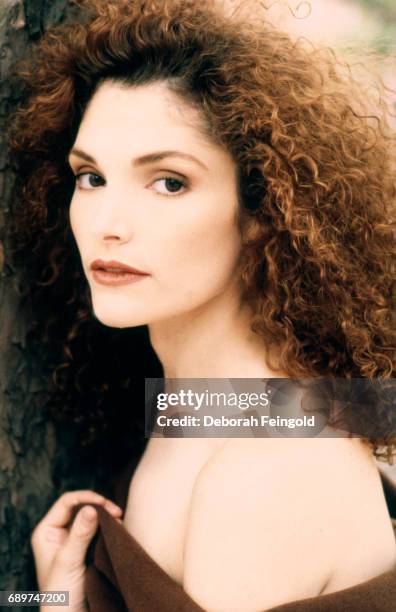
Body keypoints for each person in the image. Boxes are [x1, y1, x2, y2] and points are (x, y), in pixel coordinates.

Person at [7, 0, 396, 610]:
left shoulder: (269, 467)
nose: (108, 224)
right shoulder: (208, 411)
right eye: (91, 177)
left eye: (169, 182)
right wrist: (55, 599)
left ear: (263, 214)